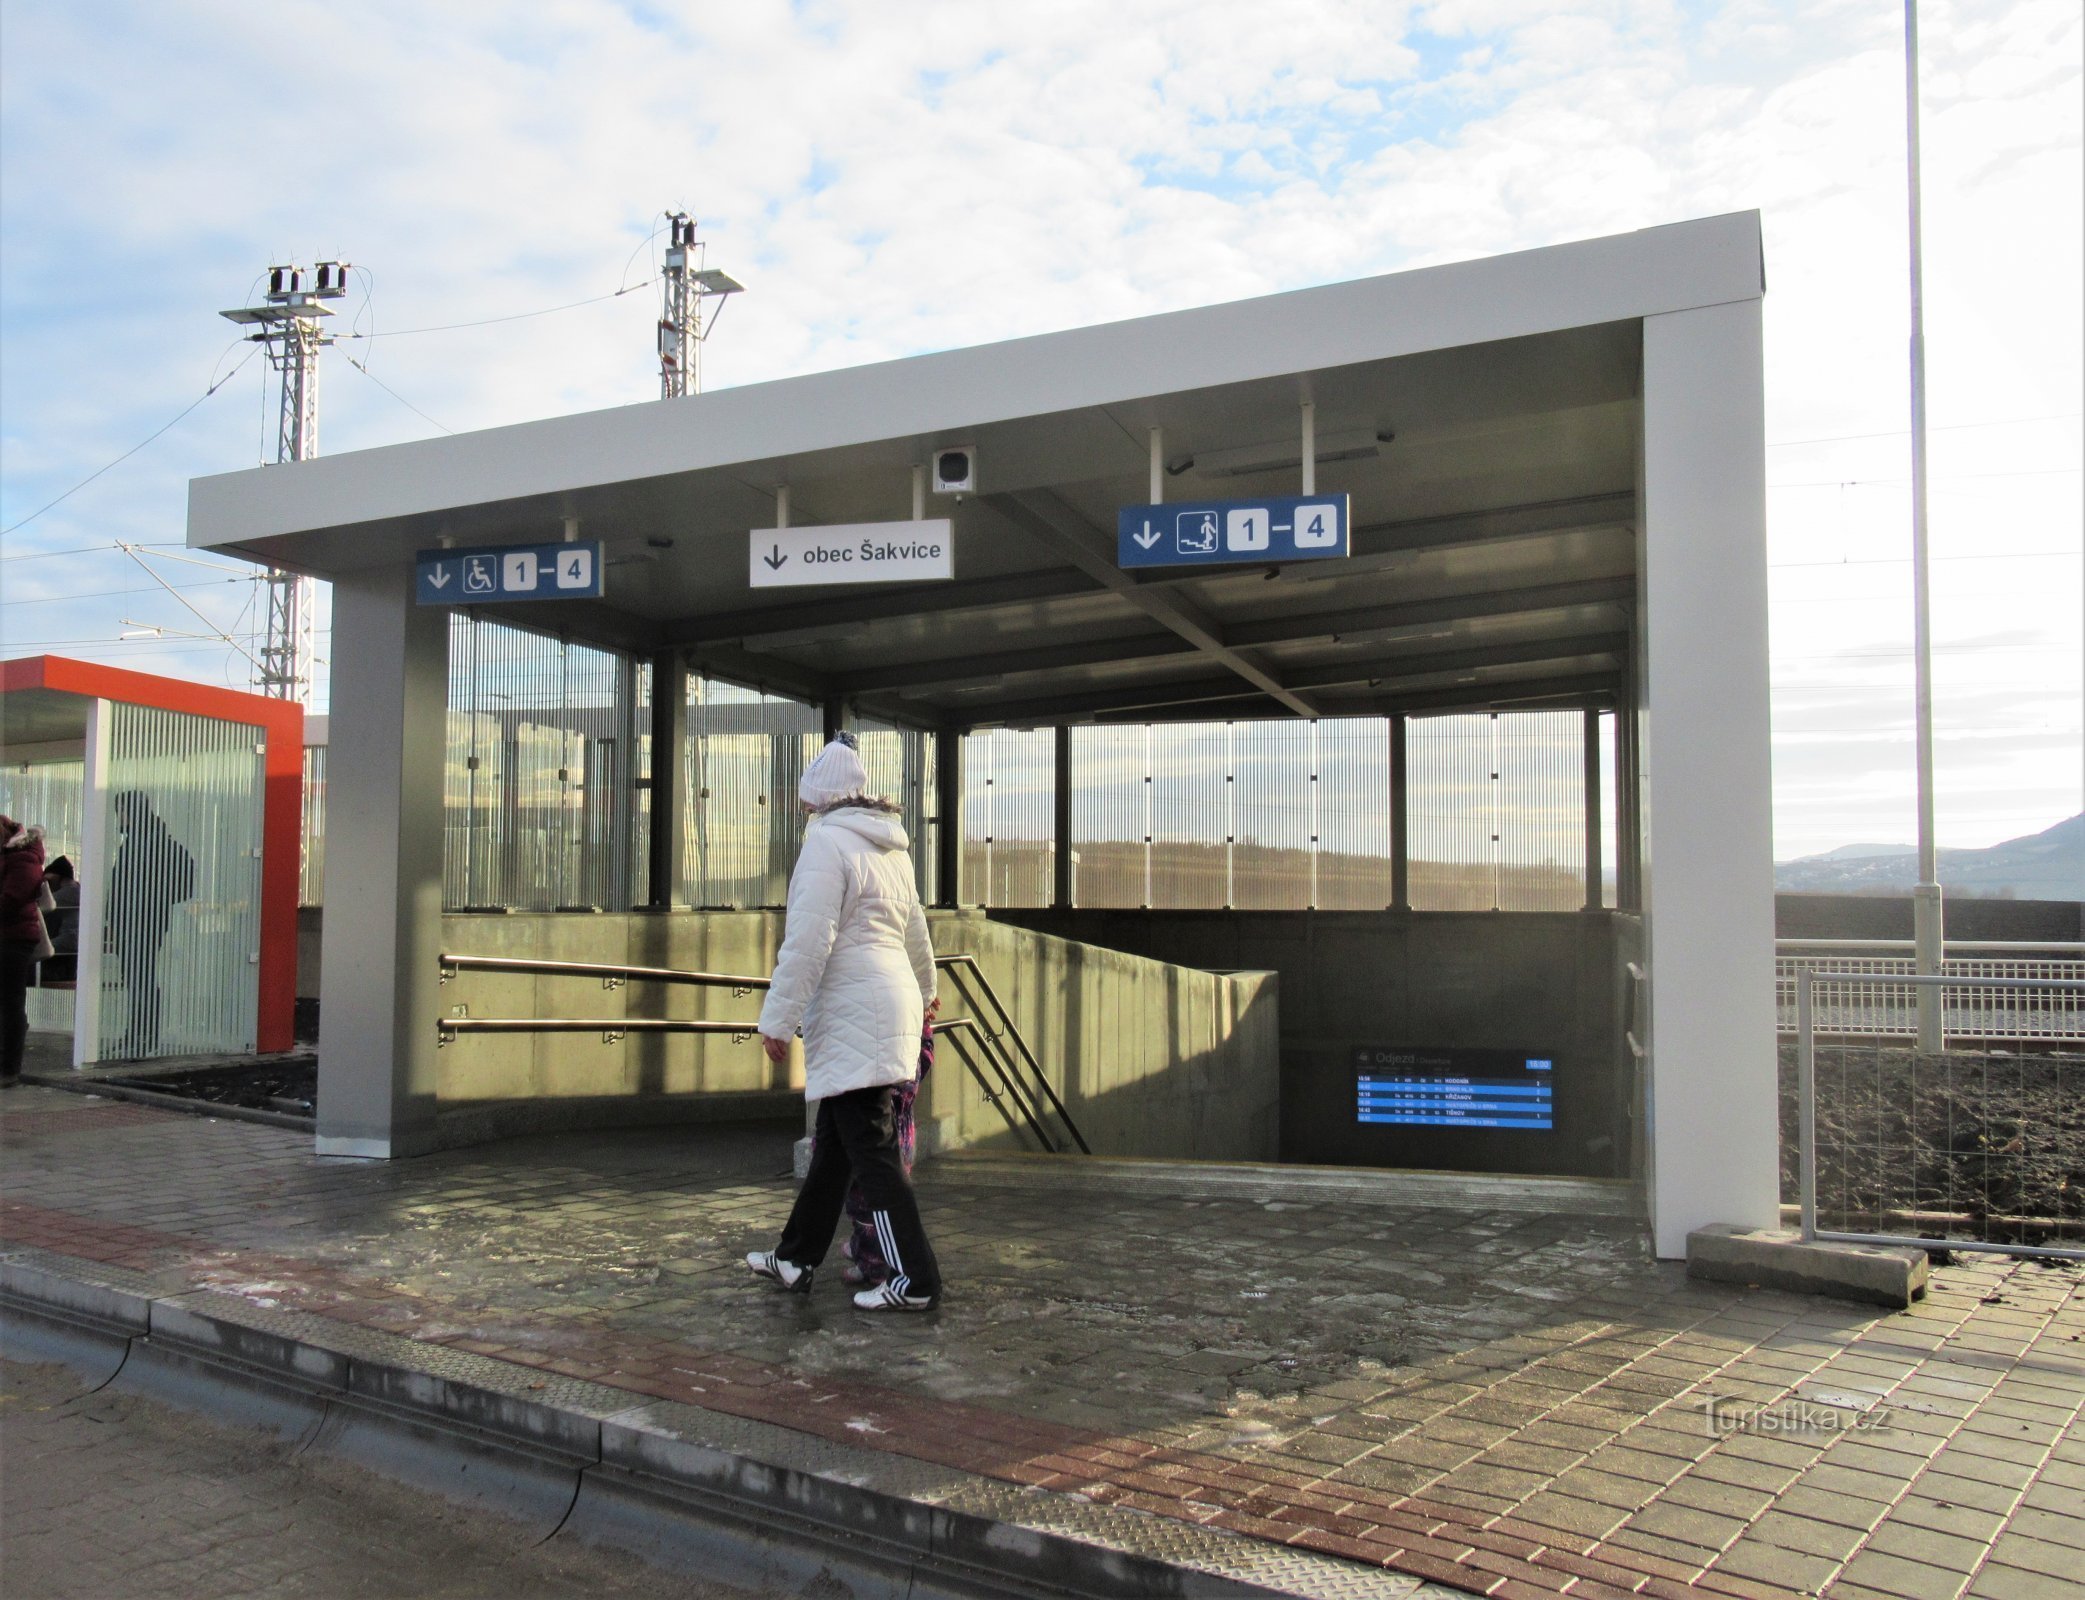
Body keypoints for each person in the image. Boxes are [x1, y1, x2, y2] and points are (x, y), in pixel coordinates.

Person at [744, 734, 943, 1312]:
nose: (805, 811)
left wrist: (777, 1020)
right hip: (891, 1005)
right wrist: (927, 995)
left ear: (820, 800)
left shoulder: (826, 846)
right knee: (836, 1146)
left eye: (808, 802)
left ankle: (916, 1280)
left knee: (873, 1153)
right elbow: (916, 932)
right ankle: (796, 1257)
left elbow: (808, 942)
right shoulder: (891, 848)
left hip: (856, 1011)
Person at [108, 791, 195, 1058]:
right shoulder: (135, 842)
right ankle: (136, 1033)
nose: (119, 816)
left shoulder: (151, 843)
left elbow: (181, 882)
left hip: (143, 920)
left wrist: (153, 901)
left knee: (141, 978)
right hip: (131, 920)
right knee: (135, 979)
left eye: (122, 810)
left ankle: (144, 1035)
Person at [1, 815, 49, 1086]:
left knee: (10, 1003)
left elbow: (13, 898)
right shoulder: (14, 856)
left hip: (13, 938)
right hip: (10, 936)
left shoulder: (22, 858)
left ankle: (8, 1068)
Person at [40, 855, 78, 985]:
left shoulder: (70, 893)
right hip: (67, 963)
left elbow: (39, 904)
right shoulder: (75, 892)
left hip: (61, 965)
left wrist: (42, 947)